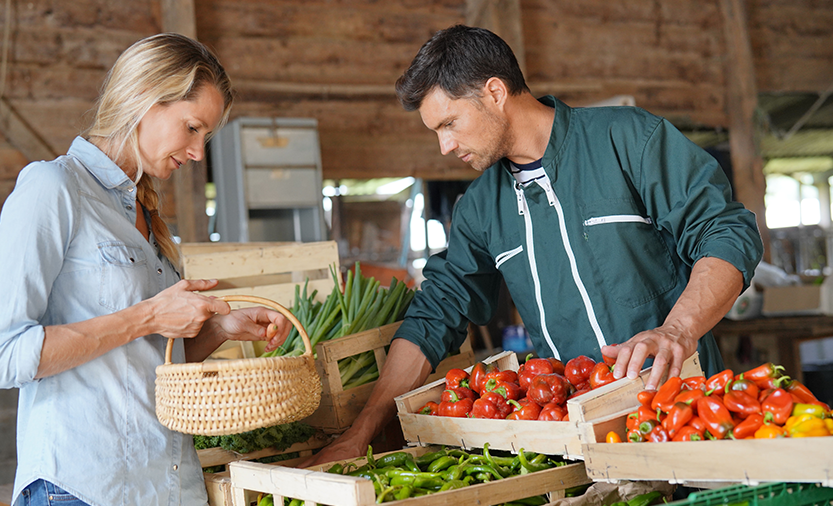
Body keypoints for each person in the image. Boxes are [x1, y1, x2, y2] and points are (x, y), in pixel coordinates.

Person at [304, 24, 763, 465]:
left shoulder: (627, 140)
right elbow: (435, 314)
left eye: (449, 123)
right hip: (569, 435)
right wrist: (360, 433)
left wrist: (677, 330)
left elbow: (727, 232)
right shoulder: (481, 208)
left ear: (495, 93)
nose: (444, 146)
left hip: (683, 411)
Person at [0, 33, 292, 506]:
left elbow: (146, 361)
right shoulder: (54, 189)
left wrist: (219, 329)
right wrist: (146, 316)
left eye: (206, 135)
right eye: (192, 128)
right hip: (82, 489)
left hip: (166, 489)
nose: (198, 152)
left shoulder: (145, 215)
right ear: (145, 100)